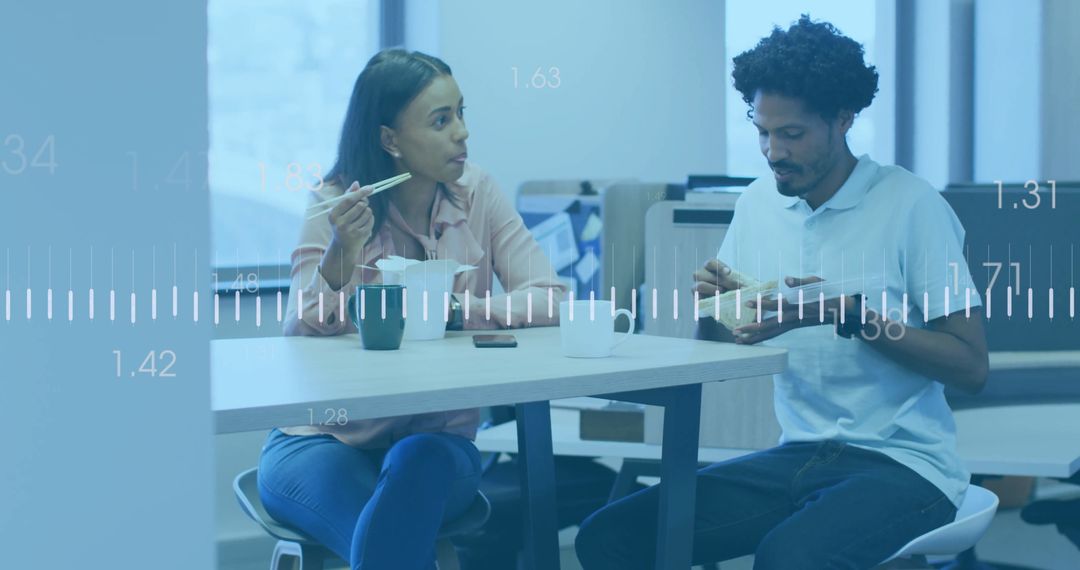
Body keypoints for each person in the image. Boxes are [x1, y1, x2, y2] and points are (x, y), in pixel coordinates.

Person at [575, 15, 989, 569]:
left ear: (843, 119)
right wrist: (716, 306)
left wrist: (848, 315)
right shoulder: (757, 204)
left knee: (787, 558)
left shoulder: (911, 204)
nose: (773, 152)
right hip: (797, 454)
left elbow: (970, 367)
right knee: (611, 536)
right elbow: (724, 347)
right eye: (763, 132)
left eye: (792, 134)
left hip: (906, 465)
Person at [257, 48, 566, 570]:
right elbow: (300, 337)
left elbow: (550, 297)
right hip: (323, 440)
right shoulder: (335, 201)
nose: (462, 133)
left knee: (415, 469)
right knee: (394, 544)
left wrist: (455, 309)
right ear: (390, 141)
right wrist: (341, 252)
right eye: (441, 121)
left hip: (436, 444)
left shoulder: (478, 193)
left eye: (460, 113)